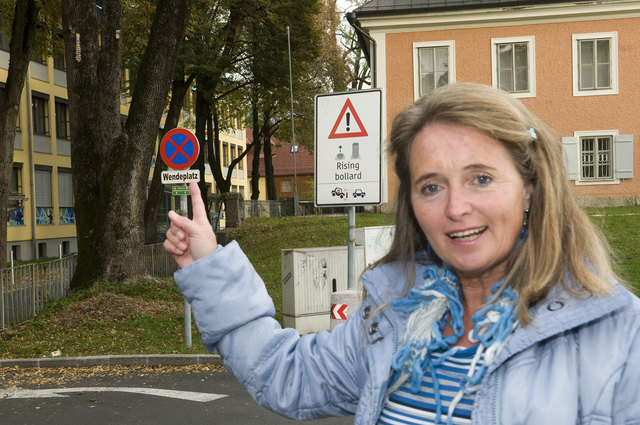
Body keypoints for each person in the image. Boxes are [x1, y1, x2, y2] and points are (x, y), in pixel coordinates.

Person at [164, 82, 640, 425]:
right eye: (431, 186)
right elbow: (286, 375)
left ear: (531, 189)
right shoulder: (394, 318)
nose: (456, 207)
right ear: (413, 204)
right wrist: (210, 265)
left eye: (481, 178)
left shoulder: (618, 337)